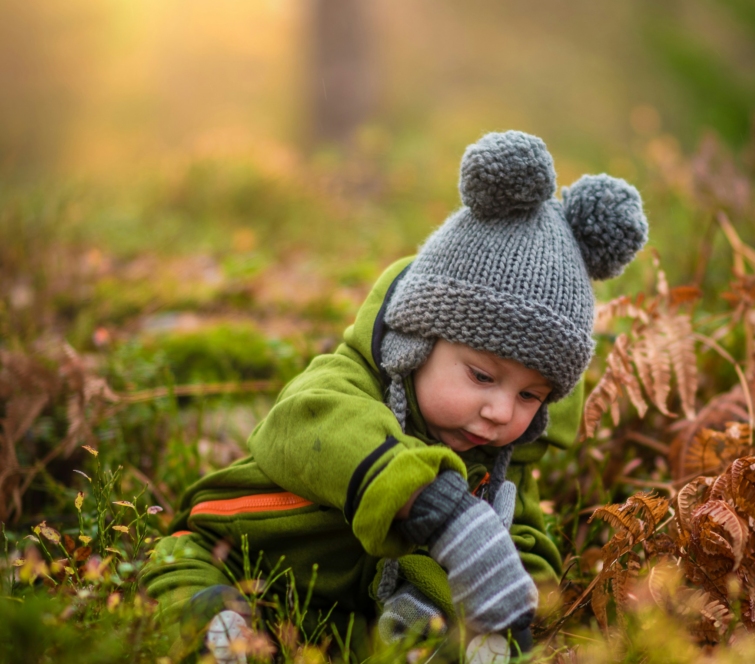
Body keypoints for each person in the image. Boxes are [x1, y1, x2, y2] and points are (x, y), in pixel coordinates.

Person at [141, 130, 648, 662]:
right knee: (179, 563)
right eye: (481, 376)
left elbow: (520, 540)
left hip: (345, 617)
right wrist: (435, 506)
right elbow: (304, 425)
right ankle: (218, 626)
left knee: (444, 612)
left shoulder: (498, 464)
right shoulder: (346, 383)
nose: (500, 411)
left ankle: (417, 637)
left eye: (531, 396)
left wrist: (517, 605)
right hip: (242, 553)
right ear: (416, 343)